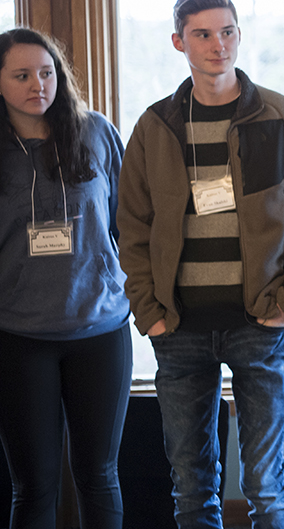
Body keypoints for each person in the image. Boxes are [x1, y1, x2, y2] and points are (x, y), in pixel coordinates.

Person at [118, 0, 284, 529]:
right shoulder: (155, 125)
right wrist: (149, 310)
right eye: (203, 34)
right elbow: (131, 226)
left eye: (227, 31)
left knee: (265, 485)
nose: (218, 44)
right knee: (191, 484)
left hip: (260, 323)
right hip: (179, 326)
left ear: (239, 34)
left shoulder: (280, 117)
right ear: (178, 41)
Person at [0, 28, 131, 529]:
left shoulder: (94, 131)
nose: (39, 84)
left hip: (99, 330)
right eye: (22, 75)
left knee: (99, 475)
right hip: (18, 337)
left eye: (48, 72)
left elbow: (125, 221)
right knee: (33, 487)